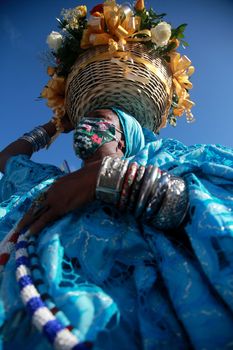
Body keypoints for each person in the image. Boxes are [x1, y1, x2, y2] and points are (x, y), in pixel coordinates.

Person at [0, 1, 233, 349]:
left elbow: (219, 218)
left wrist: (110, 179)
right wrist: (56, 124)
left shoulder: (174, 162)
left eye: (104, 122)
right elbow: (8, 158)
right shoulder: (48, 187)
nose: (89, 131)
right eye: (86, 123)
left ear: (127, 137)